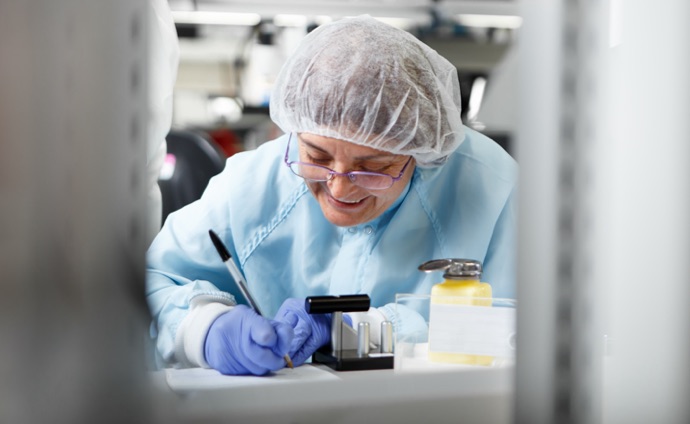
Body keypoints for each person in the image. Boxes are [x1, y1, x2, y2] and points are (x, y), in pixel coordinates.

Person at [146, 15, 517, 376]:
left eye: (372, 166)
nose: (339, 188)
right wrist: (206, 329)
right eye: (317, 157)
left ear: (419, 151)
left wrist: (366, 329)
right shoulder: (254, 183)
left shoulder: (492, 190)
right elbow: (154, 279)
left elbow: (525, 330)